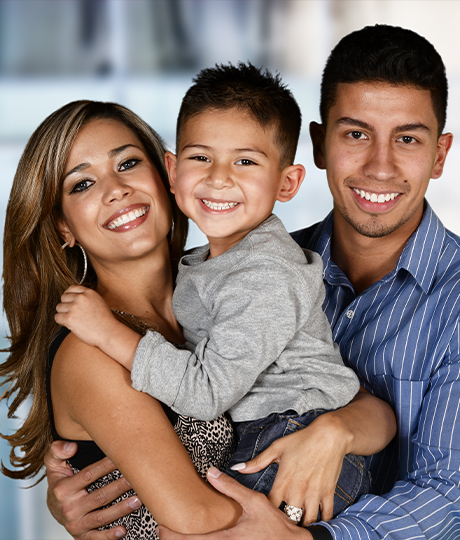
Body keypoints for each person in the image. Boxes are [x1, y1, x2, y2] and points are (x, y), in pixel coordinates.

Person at [45, 23, 460, 540]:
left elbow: (449, 493)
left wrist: (140, 528)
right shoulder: (223, 270)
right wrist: (91, 481)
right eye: (355, 133)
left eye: (407, 139)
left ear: (440, 154)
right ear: (319, 145)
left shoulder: (263, 270)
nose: (380, 165)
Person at [1, 98, 394, 539]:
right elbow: (193, 518)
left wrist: (333, 432)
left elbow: (371, 410)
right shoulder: (90, 349)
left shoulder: (229, 286)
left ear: (167, 176)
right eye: (81, 184)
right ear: (63, 228)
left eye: (127, 163)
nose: (114, 189)